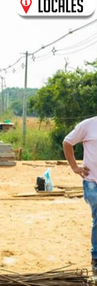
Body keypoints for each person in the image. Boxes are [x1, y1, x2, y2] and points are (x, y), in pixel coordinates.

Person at [63, 116, 97, 274]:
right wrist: (75, 167)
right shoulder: (88, 125)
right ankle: (96, 258)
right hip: (92, 182)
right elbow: (67, 142)